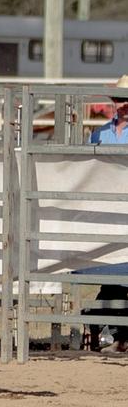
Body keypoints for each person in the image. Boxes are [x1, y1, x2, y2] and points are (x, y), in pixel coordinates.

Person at [87, 74, 128, 353]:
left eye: (125, 99)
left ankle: (115, 334)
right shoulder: (99, 133)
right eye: (118, 99)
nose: (121, 104)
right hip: (110, 210)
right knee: (113, 272)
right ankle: (116, 335)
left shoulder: (101, 134)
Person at [90, 75, 128, 144]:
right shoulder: (98, 134)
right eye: (121, 99)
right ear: (115, 101)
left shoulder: (99, 133)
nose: (126, 103)